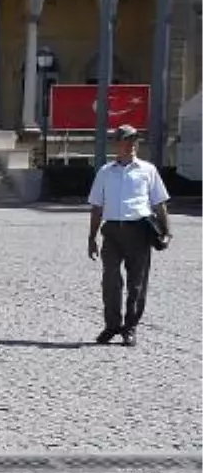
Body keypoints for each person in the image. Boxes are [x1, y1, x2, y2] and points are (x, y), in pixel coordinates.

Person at [87, 124, 171, 346]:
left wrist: (167, 232)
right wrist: (91, 238)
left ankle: (130, 327)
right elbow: (97, 207)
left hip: (139, 231)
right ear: (117, 144)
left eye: (135, 140)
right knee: (110, 280)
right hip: (113, 231)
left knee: (137, 283)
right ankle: (112, 325)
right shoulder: (105, 172)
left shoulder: (148, 170)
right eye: (126, 140)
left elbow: (159, 203)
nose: (132, 144)